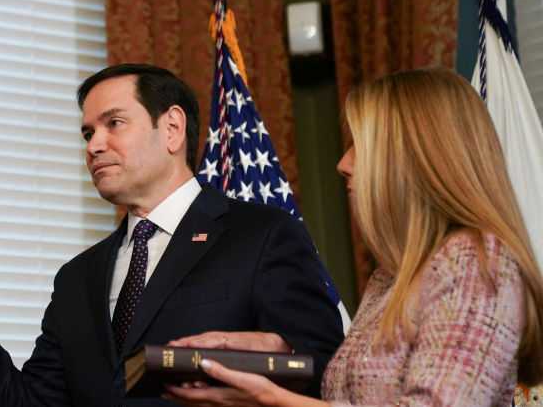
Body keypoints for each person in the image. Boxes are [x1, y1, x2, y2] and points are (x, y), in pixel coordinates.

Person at [0, 63, 344, 406]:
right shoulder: (78, 278)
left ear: (172, 128)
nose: (93, 145)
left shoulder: (262, 235)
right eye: (87, 132)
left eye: (113, 123)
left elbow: (325, 373)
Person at [165, 68, 543, 407]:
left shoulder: (476, 261)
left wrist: (273, 401)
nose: (343, 163)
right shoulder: (391, 276)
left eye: (363, 146)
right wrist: (276, 349)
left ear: (414, 158)